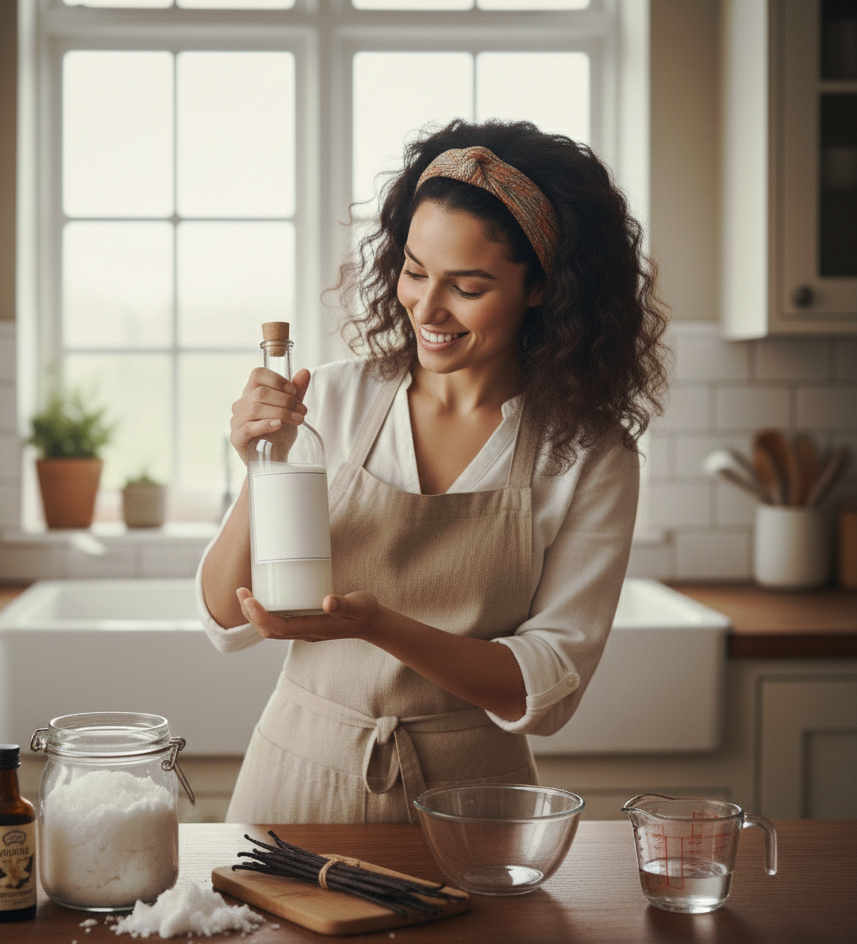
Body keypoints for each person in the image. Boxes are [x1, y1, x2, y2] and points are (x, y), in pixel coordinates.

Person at [196, 118, 668, 824]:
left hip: (473, 806)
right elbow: (227, 620)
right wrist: (258, 469)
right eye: (415, 271)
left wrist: (382, 627)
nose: (427, 307)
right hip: (294, 779)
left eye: (468, 287)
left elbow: (545, 691)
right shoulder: (332, 398)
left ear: (542, 288)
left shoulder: (586, 452)